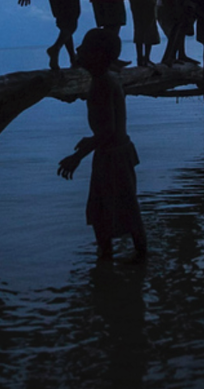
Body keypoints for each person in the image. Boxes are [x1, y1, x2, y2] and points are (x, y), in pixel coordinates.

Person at [57, 28, 147, 263]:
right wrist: (91, 140)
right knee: (114, 209)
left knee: (113, 212)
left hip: (113, 156)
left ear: (98, 56)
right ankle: (120, 265)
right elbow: (110, 127)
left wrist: (76, 157)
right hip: (117, 151)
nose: (78, 50)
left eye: (84, 48)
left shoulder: (102, 84)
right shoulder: (106, 78)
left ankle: (112, 262)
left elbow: (108, 131)